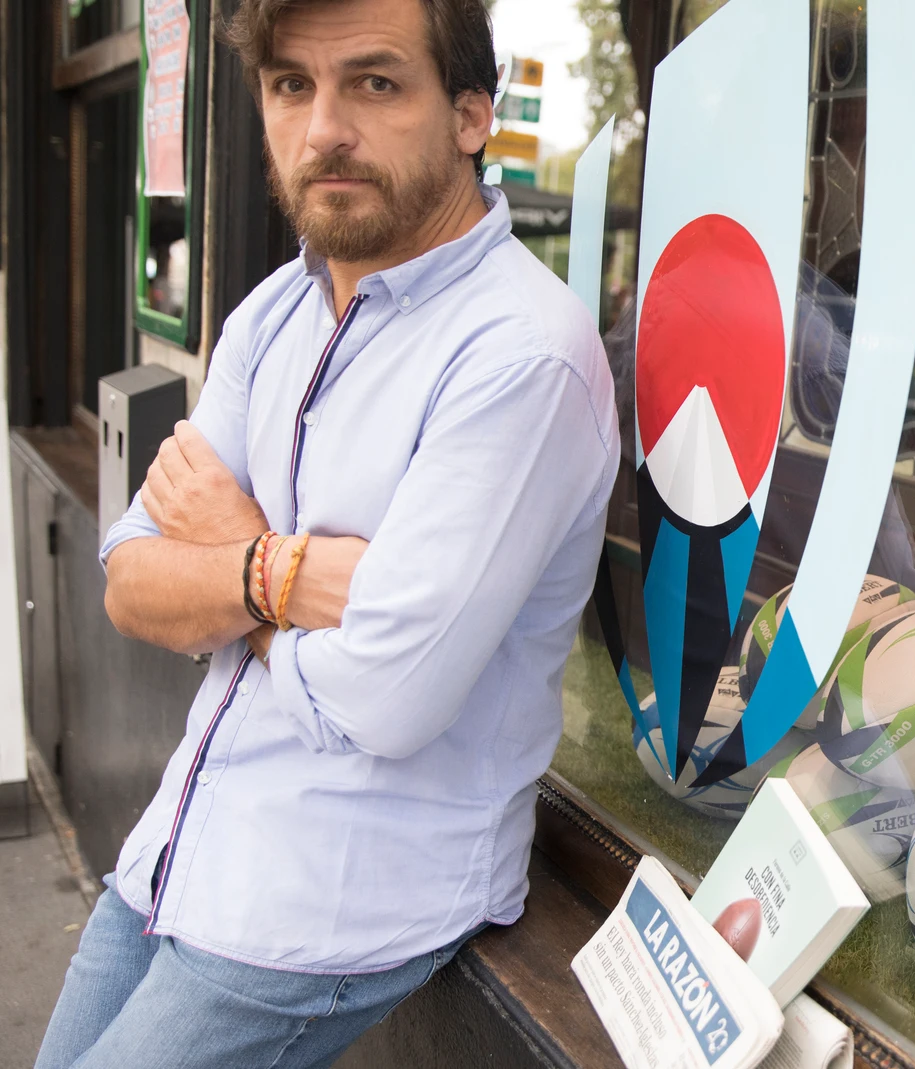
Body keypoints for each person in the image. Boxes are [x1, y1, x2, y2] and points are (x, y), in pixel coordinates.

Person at [34, 0, 616, 1065]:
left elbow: (382, 700)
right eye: (292, 86)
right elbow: (127, 578)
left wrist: (225, 564)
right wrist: (281, 573)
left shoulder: (520, 357)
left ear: (472, 113)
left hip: (329, 900)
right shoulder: (274, 313)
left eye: (376, 83)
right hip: (179, 847)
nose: (323, 130)